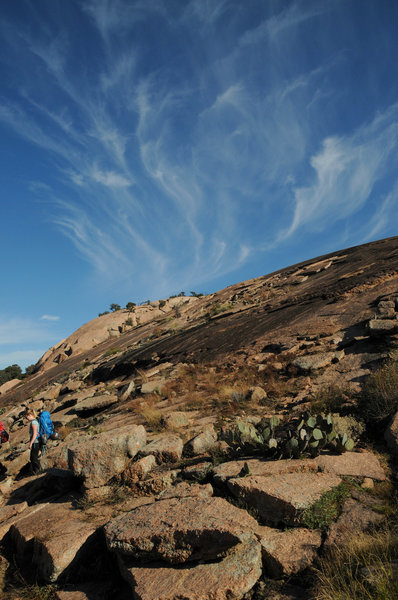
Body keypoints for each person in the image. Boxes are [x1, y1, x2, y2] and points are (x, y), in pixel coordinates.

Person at [25, 409, 41, 475]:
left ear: (30, 415)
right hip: (36, 442)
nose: (27, 418)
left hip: (35, 442)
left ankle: (38, 472)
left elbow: (35, 434)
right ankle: (37, 471)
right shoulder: (35, 421)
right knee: (33, 458)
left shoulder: (34, 422)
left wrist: (31, 443)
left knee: (33, 458)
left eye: (27, 416)